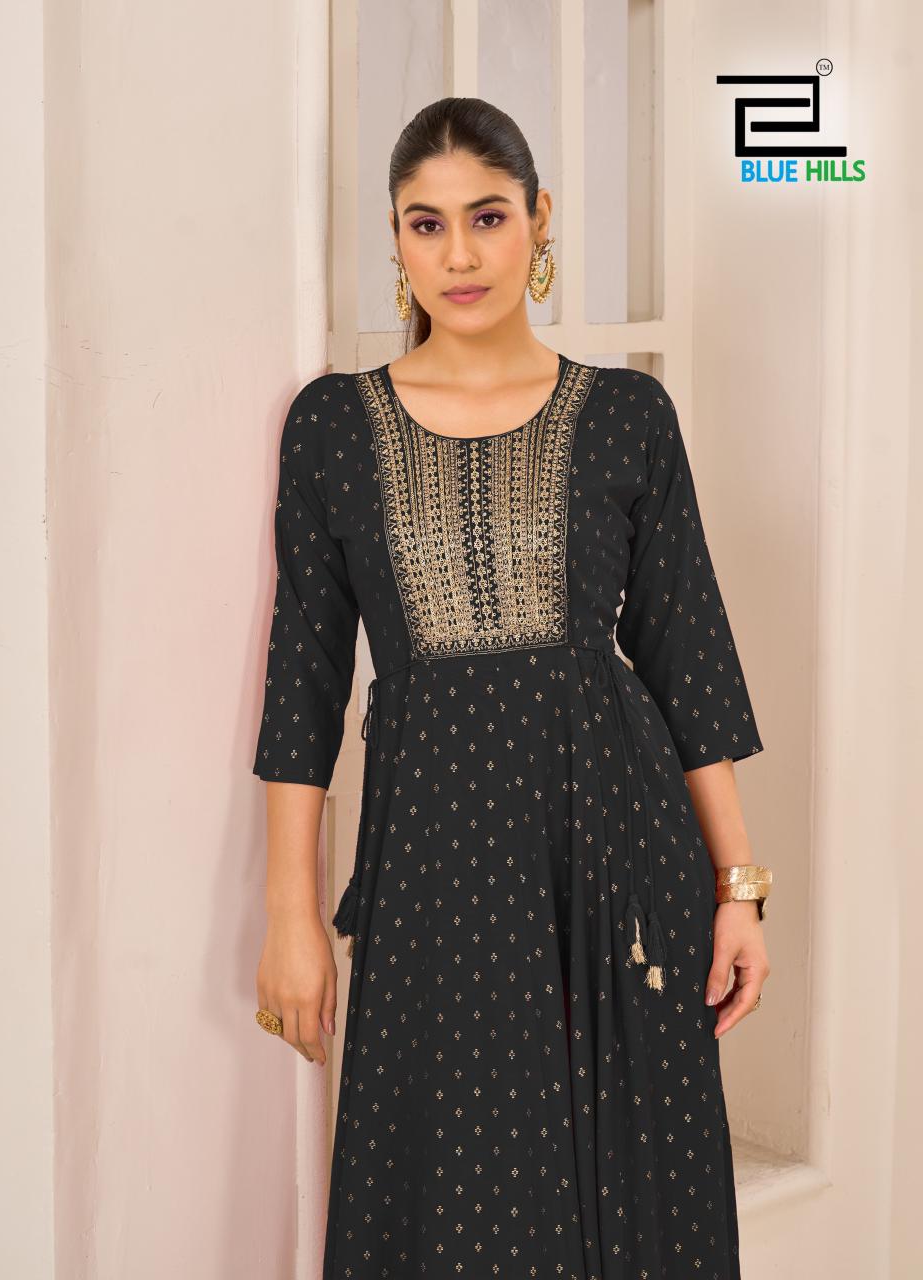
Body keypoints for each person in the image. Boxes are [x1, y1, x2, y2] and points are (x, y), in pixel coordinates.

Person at [252, 96, 771, 1280]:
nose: (460, 254)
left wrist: (738, 886)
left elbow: (688, 657)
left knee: (637, 1194)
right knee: (449, 1199)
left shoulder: (629, 415)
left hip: (616, 859)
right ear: (396, 239)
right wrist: (291, 913)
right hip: (432, 871)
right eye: (425, 223)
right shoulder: (333, 426)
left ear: (539, 218)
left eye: (487, 217)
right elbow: (304, 680)